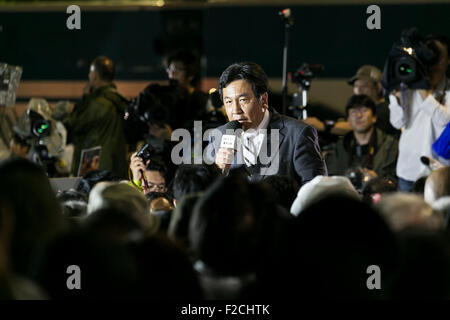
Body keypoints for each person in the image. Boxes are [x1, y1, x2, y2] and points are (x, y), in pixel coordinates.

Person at [207, 62, 327, 186]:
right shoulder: (219, 136)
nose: (236, 110)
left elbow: (316, 192)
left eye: (243, 100)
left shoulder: (298, 134)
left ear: (263, 99)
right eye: (229, 102)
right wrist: (217, 171)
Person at [389, 34, 450, 191]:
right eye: (428, 55)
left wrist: (423, 90)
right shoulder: (407, 85)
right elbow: (397, 122)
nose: (432, 61)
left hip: (440, 173)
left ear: (448, 60)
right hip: (409, 170)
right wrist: (397, 95)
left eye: (437, 56)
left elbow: (444, 120)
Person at [62, 56, 129, 178]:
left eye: (90, 72)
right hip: (117, 166)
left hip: (95, 168)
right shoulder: (121, 101)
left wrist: (85, 99)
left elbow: (74, 124)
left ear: (94, 75)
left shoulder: (97, 104)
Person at [304, 65, 400, 137]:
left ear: (378, 88)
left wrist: (323, 126)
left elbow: (357, 127)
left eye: (364, 86)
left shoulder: (385, 110)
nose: (358, 91)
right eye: (356, 86)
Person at [325, 95, 399, 181]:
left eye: (364, 111)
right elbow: (331, 178)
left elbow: (396, 180)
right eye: (353, 112)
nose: (359, 116)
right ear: (348, 119)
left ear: (374, 117)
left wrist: (378, 180)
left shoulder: (390, 145)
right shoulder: (342, 146)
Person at [165, 49, 209, 131]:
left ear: (190, 75)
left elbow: (198, 135)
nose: (172, 74)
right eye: (170, 70)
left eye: (177, 70)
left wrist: (171, 137)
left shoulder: (202, 100)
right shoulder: (166, 99)